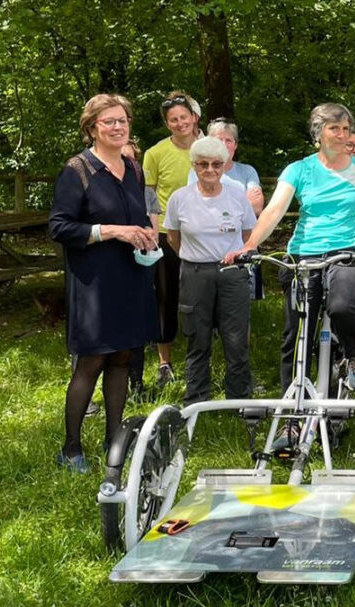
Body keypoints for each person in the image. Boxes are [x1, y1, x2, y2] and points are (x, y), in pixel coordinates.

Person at [223, 103, 355, 445]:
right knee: (296, 338)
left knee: (341, 307)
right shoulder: (299, 169)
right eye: (333, 129)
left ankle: (353, 356)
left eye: (345, 129)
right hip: (304, 253)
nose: (340, 135)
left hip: (347, 251)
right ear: (318, 133)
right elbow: (275, 210)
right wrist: (249, 245)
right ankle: (291, 419)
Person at [48, 94, 158, 472]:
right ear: (92, 127)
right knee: (92, 361)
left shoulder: (133, 168)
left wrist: (145, 233)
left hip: (131, 275)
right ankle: (72, 448)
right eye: (109, 121)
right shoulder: (77, 170)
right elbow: (59, 227)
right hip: (95, 281)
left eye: (123, 120)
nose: (118, 126)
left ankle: (115, 440)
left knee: (123, 358)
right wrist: (112, 231)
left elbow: (137, 215)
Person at [164, 137, 255, 405]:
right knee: (197, 337)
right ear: (194, 165)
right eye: (203, 164)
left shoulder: (238, 196)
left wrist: (236, 254)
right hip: (195, 273)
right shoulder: (180, 198)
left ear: (224, 165)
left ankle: (238, 399)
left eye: (216, 164)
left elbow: (249, 234)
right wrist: (196, 259)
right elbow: (173, 238)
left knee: (236, 339)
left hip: (232, 273)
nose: (210, 170)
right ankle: (196, 400)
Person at [143, 90, 202, 388]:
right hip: (167, 235)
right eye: (173, 120)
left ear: (194, 117)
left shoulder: (208, 148)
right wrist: (153, 230)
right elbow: (149, 193)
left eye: (184, 117)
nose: (180, 123)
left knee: (199, 300)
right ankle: (165, 363)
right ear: (167, 124)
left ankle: (199, 359)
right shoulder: (155, 153)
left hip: (204, 236)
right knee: (166, 299)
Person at [121, 138, 161, 396]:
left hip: (138, 264)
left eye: (130, 159)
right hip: (106, 268)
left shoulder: (146, 192)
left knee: (136, 326)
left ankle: (136, 385)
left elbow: (153, 232)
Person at [187, 118, 265, 216]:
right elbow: (195, 206)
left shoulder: (248, 171)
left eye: (228, 140)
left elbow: (256, 207)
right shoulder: (197, 171)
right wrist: (243, 202)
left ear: (235, 145)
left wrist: (213, 203)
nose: (224, 145)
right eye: (219, 140)